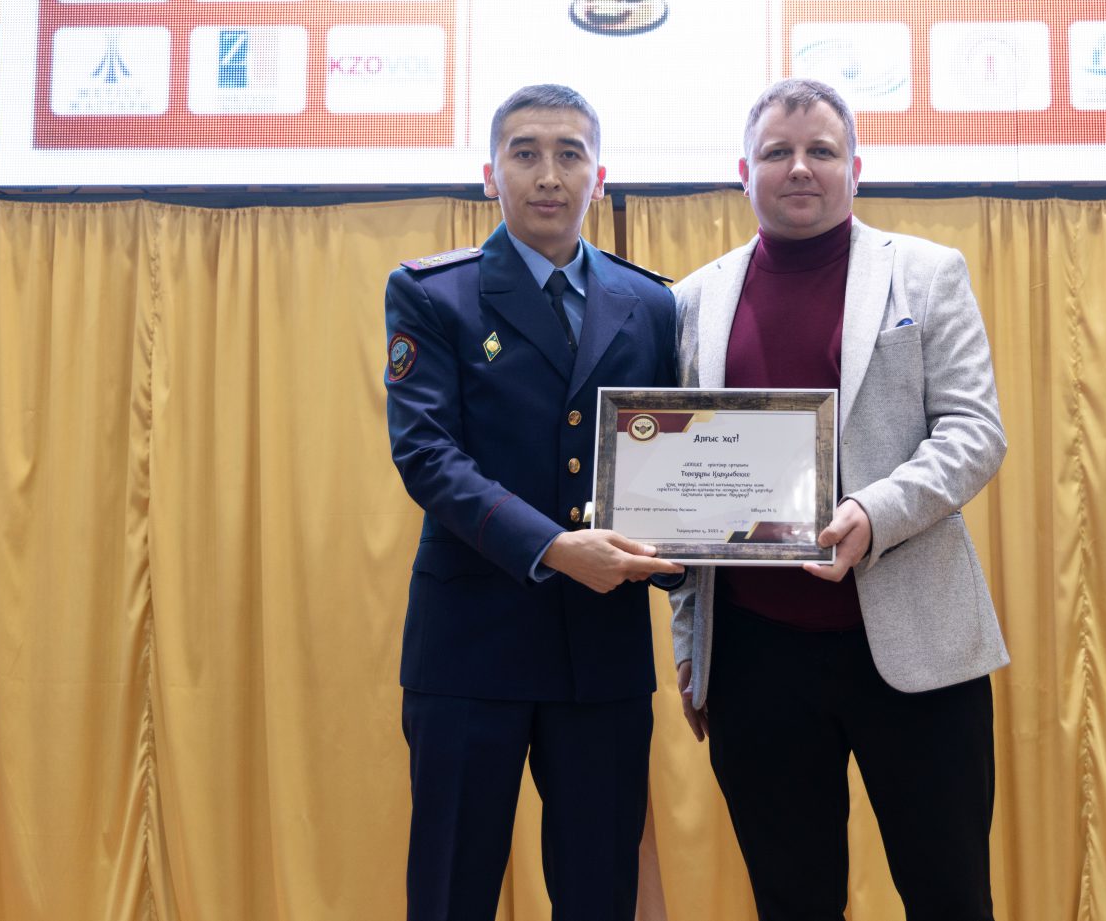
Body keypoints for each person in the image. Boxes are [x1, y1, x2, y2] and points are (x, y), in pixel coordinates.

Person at [669, 78, 1009, 921]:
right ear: (743, 171)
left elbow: (974, 431)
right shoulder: (692, 298)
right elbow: (679, 484)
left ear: (855, 168)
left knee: (952, 897)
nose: (799, 167)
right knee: (792, 902)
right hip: (754, 655)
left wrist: (873, 514)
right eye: (777, 152)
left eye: (821, 150)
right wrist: (689, 643)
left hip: (916, 646)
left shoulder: (927, 274)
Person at [384, 83, 681, 921]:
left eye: (569, 154)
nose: (548, 175)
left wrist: (697, 551)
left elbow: (675, 457)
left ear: (599, 176)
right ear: (491, 174)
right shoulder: (433, 294)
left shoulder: (650, 302)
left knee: (600, 894)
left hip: (602, 649)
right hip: (469, 644)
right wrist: (554, 548)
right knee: (452, 890)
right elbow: (428, 456)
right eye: (525, 153)